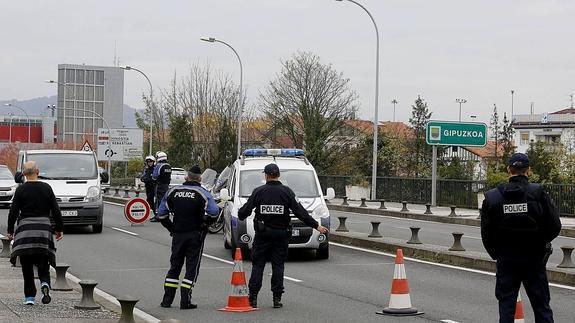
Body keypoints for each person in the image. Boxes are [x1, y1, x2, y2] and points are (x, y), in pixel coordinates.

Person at [481, 153, 561, 323]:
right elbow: (555, 225)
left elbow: (486, 232)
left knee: (506, 305)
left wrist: (498, 253)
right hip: (534, 257)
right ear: (529, 170)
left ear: (508, 169)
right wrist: (541, 243)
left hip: (506, 258)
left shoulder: (493, 197)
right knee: (541, 306)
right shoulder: (538, 193)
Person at [238, 163, 329, 309]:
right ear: (278, 175)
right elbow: (301, 212)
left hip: (263, 235)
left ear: (266, 175)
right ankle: (277, 298)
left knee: (258, 265)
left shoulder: (258, 192)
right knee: (278, 265)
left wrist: (242, 213)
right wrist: (316, 226)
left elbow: (244, 212)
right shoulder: (287, 192)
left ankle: (253, 297)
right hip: (281, 235)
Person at [157, 166, 219, 309]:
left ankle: (167, 300)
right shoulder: (203, 193)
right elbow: (214, 212)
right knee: (191, 268)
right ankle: (186, 301)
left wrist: (171, 227)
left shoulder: (173, 191)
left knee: (175, 266)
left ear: (186, 177)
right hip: (195, 235)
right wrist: (205, 224)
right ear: (200, 178)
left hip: (178, 235)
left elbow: (161, 214)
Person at [6, 161, 63, 306]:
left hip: (25, 229)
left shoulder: (21, 190)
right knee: (43, 260)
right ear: (37, 171)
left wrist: (10, 230)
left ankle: (29, 297)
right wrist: (59, 228)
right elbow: (56, 210)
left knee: (26, 264)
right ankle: (45, 283)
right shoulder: (46, 188)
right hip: (43, 228)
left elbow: (13, 212)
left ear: (24, 174)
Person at [151, 151, 171, 222]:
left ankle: (157, 215)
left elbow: (154, 177)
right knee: (165, 200)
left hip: (159, 185)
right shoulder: (168, 166)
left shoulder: (159, 166)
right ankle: (165, 214)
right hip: (166, 186)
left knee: (158, 201)